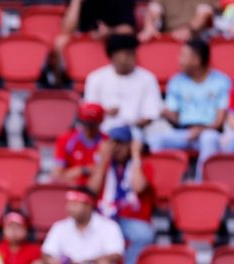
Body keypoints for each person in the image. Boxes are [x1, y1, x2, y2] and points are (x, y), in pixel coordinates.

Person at [155, 39, 230, 179]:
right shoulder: (176, 81)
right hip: (184, 132)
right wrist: (162, 111)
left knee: (209, 139)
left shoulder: (221, 81)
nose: (178, 59)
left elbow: (219, 121)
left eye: (183, 55)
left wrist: (201, 130)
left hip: (210, 131)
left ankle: (201, 187)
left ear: (196, 60)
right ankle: (160, 185)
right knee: (156, 140)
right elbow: (176, 117)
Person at [89, 127, 156, 264]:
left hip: (131, 218)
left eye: (121, 143)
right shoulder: (103, 165)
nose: (117, 148)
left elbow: (138, 187)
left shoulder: (143, 164)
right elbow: (91, 191)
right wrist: (102, 160)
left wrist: (135, 155)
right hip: (104, 216)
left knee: (144, 234)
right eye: (113, 144)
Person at [41, 188, 124, 264]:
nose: (69, 208)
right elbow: (47, 252)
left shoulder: (108, 226)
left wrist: (85, 261)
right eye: (69, 204)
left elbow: (116, 254)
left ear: (88, 206)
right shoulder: (60, 226)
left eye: (75, 204)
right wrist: (51, 260)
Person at [83, 34, 163, 134]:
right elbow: (90, 112)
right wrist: (104, 113)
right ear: (112, 56)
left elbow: (151, 113)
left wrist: (135, 124)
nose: (130, 58)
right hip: (102, 133)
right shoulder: (95, 78)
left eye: (132, 53)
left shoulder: (148, 78)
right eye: (126, 54)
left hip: (137, 133)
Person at [52, 102, 107, 186]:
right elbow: (56, 175)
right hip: (71, 189)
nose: (88, 128)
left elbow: (106, 175)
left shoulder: (107, 142)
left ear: (100, 123)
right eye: (85, 123)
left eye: (92, 124)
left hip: (97, 190)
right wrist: (83, 170)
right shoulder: (66, 139)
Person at [140, 0, 217, 42]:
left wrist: (188, 29)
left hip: (194, 39)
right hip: (167, 37)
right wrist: (149, 26)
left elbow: (203, 15)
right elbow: (153, 9)